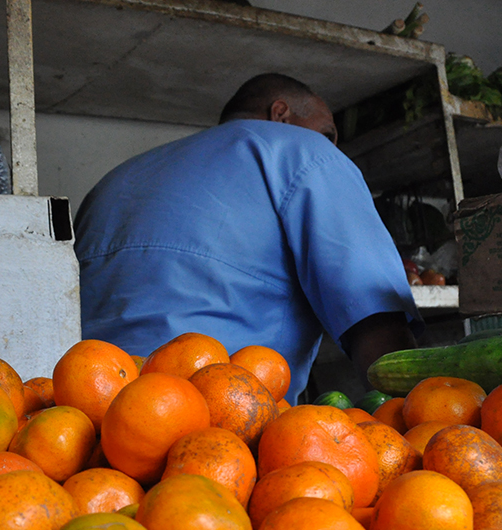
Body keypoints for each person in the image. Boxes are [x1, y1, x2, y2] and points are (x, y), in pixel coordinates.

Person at [74, 73, 421, 404]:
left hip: (91, 418)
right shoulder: (304, 151)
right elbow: (377, 322)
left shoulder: (115, 181)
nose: (332, 145)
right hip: (224, 420)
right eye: (327, 132)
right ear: (280, 114)